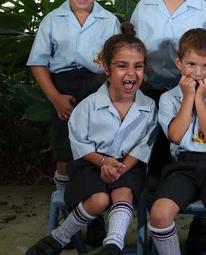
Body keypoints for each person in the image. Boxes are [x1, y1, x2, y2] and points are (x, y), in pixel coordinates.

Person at [26, 23, 157, 255]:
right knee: (98, 200)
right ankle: (58, 238)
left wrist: (121, 167)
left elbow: (143, 145)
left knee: (122, 193)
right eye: (121, 66)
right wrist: (104, 162)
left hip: (129, 166)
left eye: (138, 66)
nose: (131, 73)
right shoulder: (88, 106)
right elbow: (79, 143)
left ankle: (113, 246)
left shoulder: (148, 106)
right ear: (106, 68)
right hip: (90, 163)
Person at [130, 0, 206, 252]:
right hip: (155, 90)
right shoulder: (144, 8)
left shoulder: (203, 10)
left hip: (196, 91)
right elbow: (135, 51)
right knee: (157, 157)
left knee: (195, 153)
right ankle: (158, 221)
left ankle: (200, 224)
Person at [26, 0, 120, 245]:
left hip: (98, 87)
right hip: (63, 89)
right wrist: (55, 98)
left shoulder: (109, 21)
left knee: (98, 150)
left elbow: (114, 65)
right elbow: (39, 63)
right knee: (66, 155)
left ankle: (96, 219)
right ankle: (73, 214)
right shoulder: (52, 21)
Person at [148, 29, 206, 255]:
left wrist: (199, 98)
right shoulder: (168, 98)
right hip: (183, 165)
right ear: (178, 62)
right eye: (191, 64)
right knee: (159, 214)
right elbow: (176, 136)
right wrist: (188, 97)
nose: (198, 73)